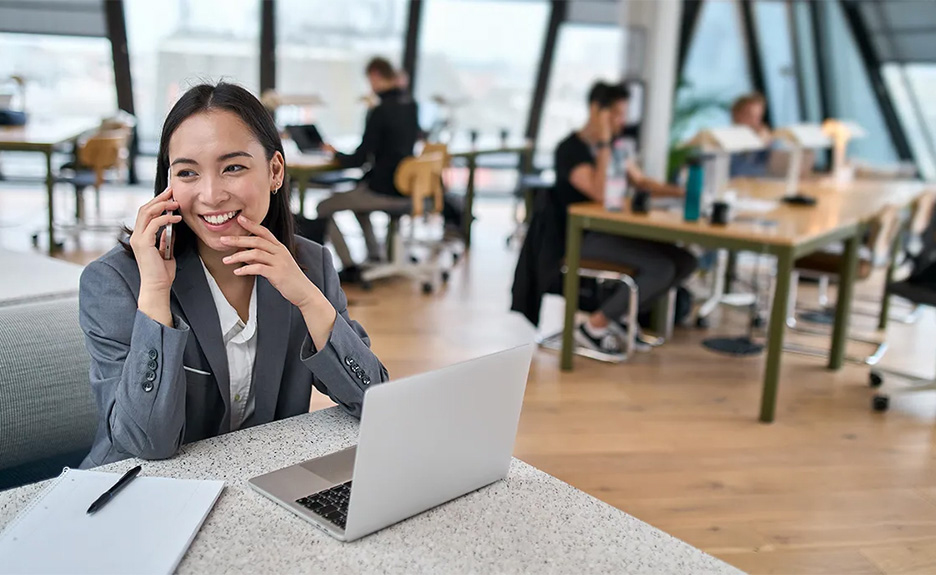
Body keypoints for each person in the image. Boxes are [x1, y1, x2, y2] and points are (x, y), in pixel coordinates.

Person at [79, 82, 388, 467]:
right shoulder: (117, 281)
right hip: (138, 493)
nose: (210, 195)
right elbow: (147, 442)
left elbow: (373, 398)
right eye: (188, 172)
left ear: (275, 171)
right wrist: (156, 293)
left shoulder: (311, 266)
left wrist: (308, 298)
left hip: (255, 490)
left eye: (233, 167)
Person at [554, 81, 697, 354]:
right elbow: (598, 192)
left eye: (623, 114)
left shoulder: (618, 146)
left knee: (685, 261)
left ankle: (618, 316)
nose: (622, 121)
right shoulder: (570, 150)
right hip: (581, 237)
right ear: (597, 111)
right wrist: (606, 142)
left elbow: (643, 182)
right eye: (616, 114)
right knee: (661, 268)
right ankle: (593, 326)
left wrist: (685, 192)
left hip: (613, 232)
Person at [317, 57, 420, 278]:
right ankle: (375, 256)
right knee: (357, 200)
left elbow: (359, 160)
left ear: (374, 76)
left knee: (323, 206)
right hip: (408, 190)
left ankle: (349, 266)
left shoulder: (379, 111)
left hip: (384, 191)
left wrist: (334, 153)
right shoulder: (411, 106)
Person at [729, 92, 772, 177]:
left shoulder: (763, 144)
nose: (755, 122)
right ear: (736, 116)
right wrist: (758, 144)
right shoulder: (726, 143)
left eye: (758, 117)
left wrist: (767, 145)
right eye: (749, 116)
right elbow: (738, 173)